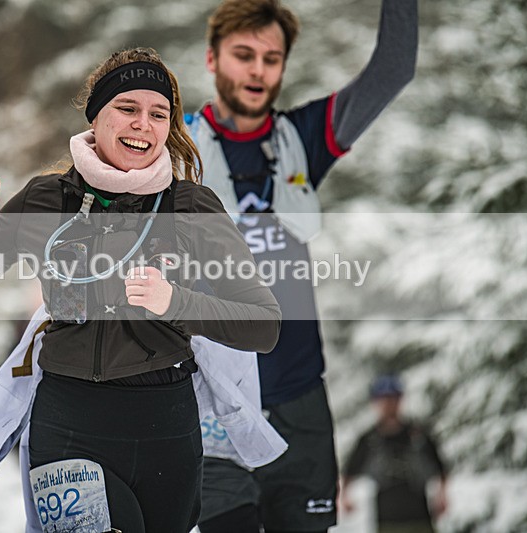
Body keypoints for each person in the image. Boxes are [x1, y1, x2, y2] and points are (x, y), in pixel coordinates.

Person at [0, 47, 282, 533]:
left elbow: (263, 324)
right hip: (69, 422)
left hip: (166, 430)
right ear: (96, 116)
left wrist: (175, 302)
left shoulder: (192, 206)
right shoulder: (44, 198)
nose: (143, 123)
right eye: (127, 108)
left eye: (159, 114)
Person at [188, 0, 419, 531]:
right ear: (212, 58)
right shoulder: (177, 147)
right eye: (243, 54)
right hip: (213, 403)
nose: (257, 70)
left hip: (300, 401)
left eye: (271, 58)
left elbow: (393, 70)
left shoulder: (302, 138)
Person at [341, 375, 448, 533]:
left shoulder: (418, 436)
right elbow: (350, 470)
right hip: (387, 521)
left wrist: (442, 496)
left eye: (393, 399)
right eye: (384, 399)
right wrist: (345, 497)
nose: (389, 404)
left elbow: (440, 468)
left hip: (420, 518)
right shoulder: (370, 440)